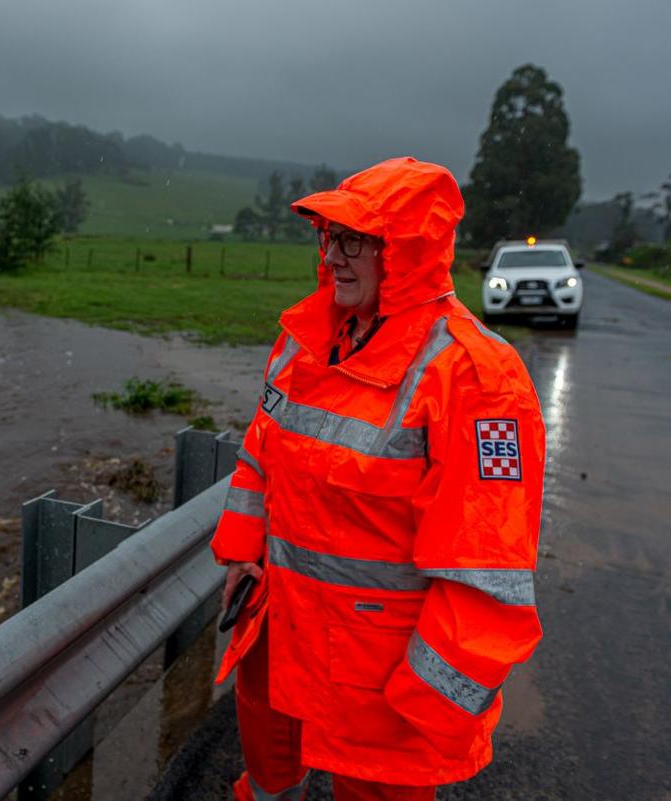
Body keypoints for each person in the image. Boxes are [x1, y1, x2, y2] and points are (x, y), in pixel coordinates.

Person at [211, 157, 545, 801]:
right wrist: (242, 554)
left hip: (381, 675)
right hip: (279, 634)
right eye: (328, 236)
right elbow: (260, 456)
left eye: (354, 240)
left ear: (408, 250)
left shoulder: (475, 379)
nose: (333, 257)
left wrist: (427, 702)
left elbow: (486, 570)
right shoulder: (306, 341)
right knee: (268, 780)